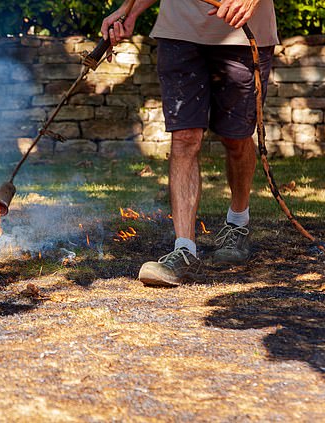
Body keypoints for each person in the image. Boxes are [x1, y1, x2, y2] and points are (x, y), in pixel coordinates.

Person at [101, 0, 278, 287]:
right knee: (184, 138)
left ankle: (238, 223)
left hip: (242, 34)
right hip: (179, 32)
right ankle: (184, 250)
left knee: (236, 138)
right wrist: (128, 11)